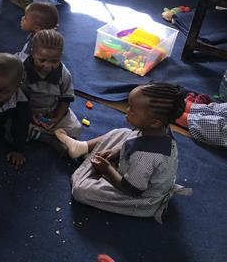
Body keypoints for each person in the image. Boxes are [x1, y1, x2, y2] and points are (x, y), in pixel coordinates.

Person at [56, 83, 192, 223]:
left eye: (132, 110)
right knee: (123, 133)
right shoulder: (159, 130)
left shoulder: (145, 156)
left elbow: (132, 190)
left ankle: (89, 167)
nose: (127, 111)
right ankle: (82, 148)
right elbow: (134, 141)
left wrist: (108, 169)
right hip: (135, 168)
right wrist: (115, 151)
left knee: (81, 191)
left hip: (138, 194)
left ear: (154, 122)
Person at [24, 29, 81, 149]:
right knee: (11, 125)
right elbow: (17, 98)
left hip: (52, 112)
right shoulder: (23, 71)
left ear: (61, 57)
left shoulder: (64, 74)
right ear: (32, 53)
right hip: (26, 110)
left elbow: (66, 99)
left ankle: (40, 132)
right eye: (42, 60)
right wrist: (29, 114)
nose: (48, 65)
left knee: (75, 128)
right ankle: (45, 137)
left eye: (55, 61)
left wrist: (56, 117)